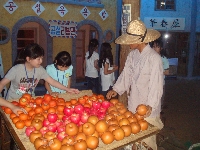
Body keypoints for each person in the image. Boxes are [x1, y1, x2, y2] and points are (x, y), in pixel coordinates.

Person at [106, 20, 164, 150]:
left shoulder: (154, 58)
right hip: (134, 103)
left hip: (148, 107)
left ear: (140, 40)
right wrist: (116, 89)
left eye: (130, 40)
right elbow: (126, 74)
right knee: (134, 140)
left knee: (147, 142)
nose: (128, 42)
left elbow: (157, 84)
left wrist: (150, 106)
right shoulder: (132, 55)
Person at [0, 43, 79, 100]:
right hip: (13, 100)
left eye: (42, 58)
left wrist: (67, 89)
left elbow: (52, 81)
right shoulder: (16, 69)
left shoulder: (40, 69)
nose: (41, 61)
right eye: (38, 59)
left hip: (30, 100)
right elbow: (2, 83)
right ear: (28, 59)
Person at [151, 39, 169, 110]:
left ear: (161, 48)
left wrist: (157, 71)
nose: (154, 48)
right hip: (150, 82)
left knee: (159, 100)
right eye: (153, 46)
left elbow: (167, 72)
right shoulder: (150, 58)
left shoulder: (163, 59)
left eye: (157, 47)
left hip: (160, 83)